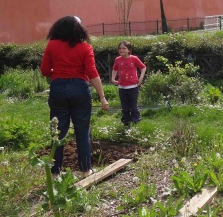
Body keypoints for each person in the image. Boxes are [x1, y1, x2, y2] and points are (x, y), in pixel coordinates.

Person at [40, 15, 109, 178]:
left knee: (58, 133)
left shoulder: (52, 45)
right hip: (80, 88)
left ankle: (55, 174)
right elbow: (92, 73)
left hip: (58, 89)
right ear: (79, 29)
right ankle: (86, 170)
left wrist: (57, 73)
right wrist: (102, 96)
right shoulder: (85, 48)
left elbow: (44, 71)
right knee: (82, 131)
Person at [111, 41, 146, 126]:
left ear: (129, 50)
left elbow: (143, 67)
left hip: (133, 87)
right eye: (120, 48)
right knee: (124, 107)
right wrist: (113, 79)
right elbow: (114, 69)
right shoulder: (117, 59)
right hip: (122, 87)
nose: (121, 50)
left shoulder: (134, 58)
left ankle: (136, 121)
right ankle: (126, 122)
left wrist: (140, 78)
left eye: (124, 48)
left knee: (133, 106)